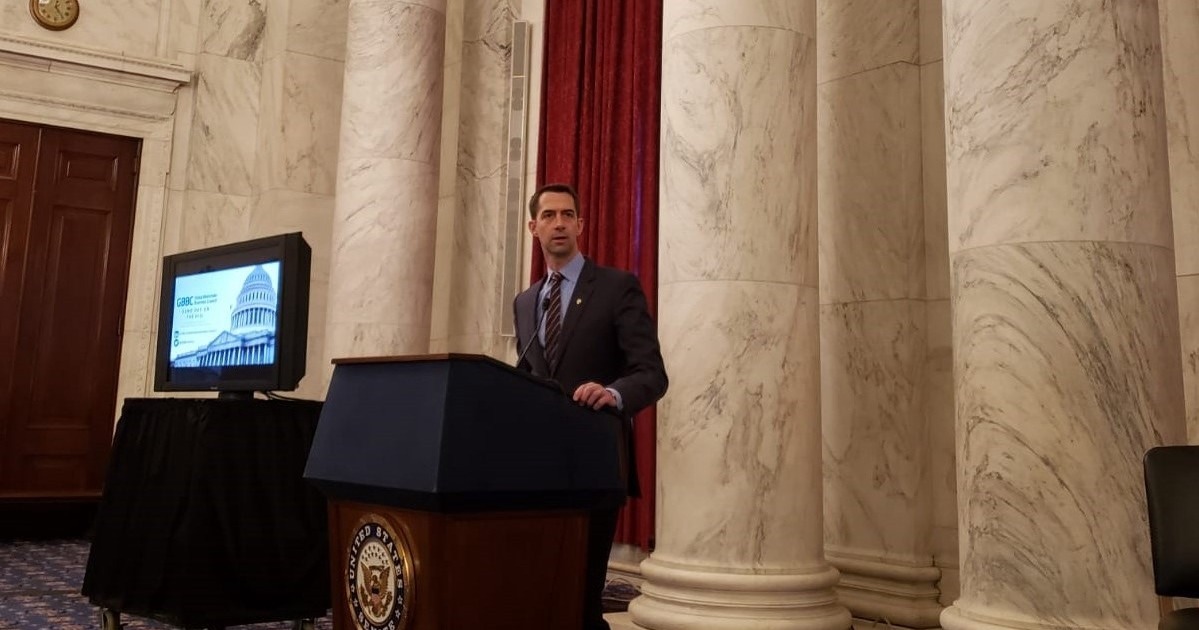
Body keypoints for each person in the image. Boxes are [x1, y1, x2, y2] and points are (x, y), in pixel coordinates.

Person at [513, 182, 668, 630]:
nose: (558, 223)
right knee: (543, 594)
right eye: (548, 216)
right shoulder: (526, 303)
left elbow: (652, 373)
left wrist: (613, 393)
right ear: (533, 227)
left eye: (567, 215)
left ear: (581, 224)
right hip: (536, 471)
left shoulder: (618, 288)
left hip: (596, 462)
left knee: (581, 601)